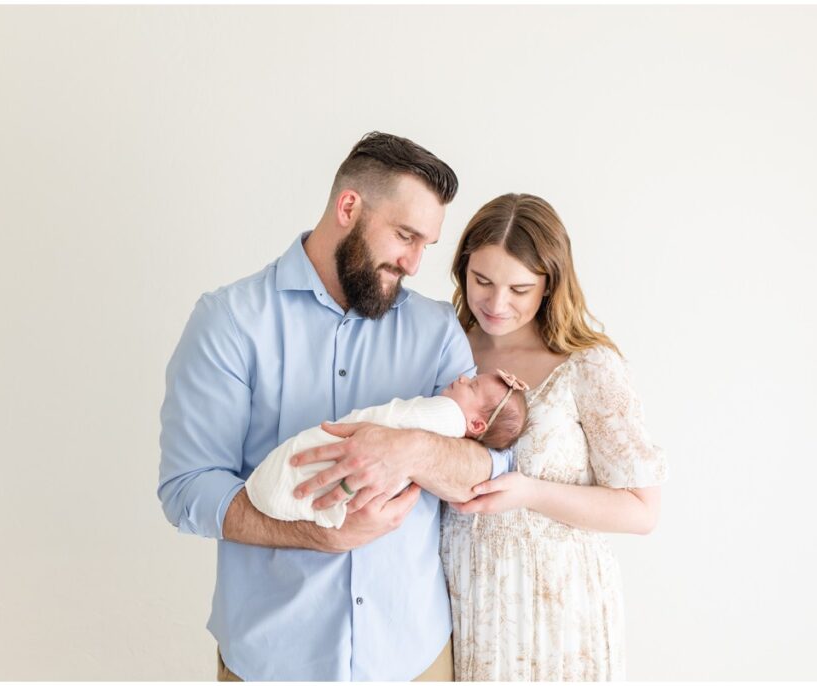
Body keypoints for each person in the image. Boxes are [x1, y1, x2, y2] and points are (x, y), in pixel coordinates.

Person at [157, 132, 512, 681]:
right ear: (349, 207)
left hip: (412, 658)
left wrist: (409, 450)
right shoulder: (229, 323)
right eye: (405, 235)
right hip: (273, 663)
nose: (415, 263)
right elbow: (188, 489)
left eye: (427, 245)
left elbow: (487, 472)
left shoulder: (437, 330)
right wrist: (316, 534)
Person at [440, 193, 669, 681]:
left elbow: (642, 511)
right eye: (481, 280)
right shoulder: (442, 347)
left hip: (557, 613)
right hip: (457, 601)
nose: (496, 304)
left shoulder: (588, 365)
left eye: (519, 289)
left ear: (550, 285)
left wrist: (530, 492)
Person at [246, 370, 528, 529]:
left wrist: (405, 447)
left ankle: (279, 488)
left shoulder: (448, 415)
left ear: (477, 424)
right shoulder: (452, 425)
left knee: (310, 465)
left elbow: (396, 419)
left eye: (473, 385)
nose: (463, 378)